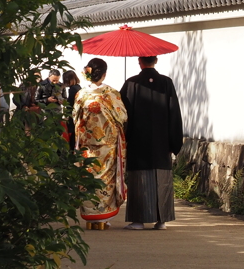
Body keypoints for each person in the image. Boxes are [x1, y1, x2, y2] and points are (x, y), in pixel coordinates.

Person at [120, 55, 184, 230]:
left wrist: (124, 136)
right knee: (161, 178)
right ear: (156, 61)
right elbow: (174, 111)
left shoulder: (132, 83)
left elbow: (121, 113)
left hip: (138, 139)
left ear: (139, 61)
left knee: (140, 179)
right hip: (162, 140)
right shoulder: (166, 83)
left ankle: (138, 220)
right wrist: (174, 141)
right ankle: (161, 220)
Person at [73, 58, 128, 229]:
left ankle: (90, 219)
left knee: (88, 177)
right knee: (105, 180)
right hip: (107, 144)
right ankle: (102, 219)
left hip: (87, 144)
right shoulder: (111, 94)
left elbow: (75, 116)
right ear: (104, 74)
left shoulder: (81, 94)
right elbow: (122, 116)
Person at [61, 70, 82, 150]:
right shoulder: (78, 87)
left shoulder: (73, 89)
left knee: (72, 136)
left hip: (73, 116)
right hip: (78, 115)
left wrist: (64, 103)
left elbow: (70, 104)